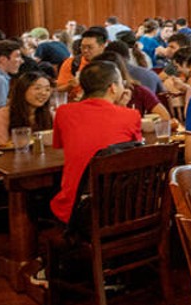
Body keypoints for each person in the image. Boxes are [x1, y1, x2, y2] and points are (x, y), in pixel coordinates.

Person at [47, 61, 143, 230]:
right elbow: (135, 149)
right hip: (123, 206)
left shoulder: (63, 112)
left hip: (80, 206)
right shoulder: (131, 115)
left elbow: (61, 146)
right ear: (113, 87)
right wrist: (122, 108)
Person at [0, 71, 55, 148]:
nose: (43, 93)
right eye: (37, 88)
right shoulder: (2, 116)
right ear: (22, 90)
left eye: (47, 89)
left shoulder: (50, 115)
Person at [56, 26, 108, 96]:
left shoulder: (110, 63)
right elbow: (59, 88)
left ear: (102, 46)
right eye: (83, 47)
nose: (85, 50)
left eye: (90, 47)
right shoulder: (72, 63)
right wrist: (70, 85)